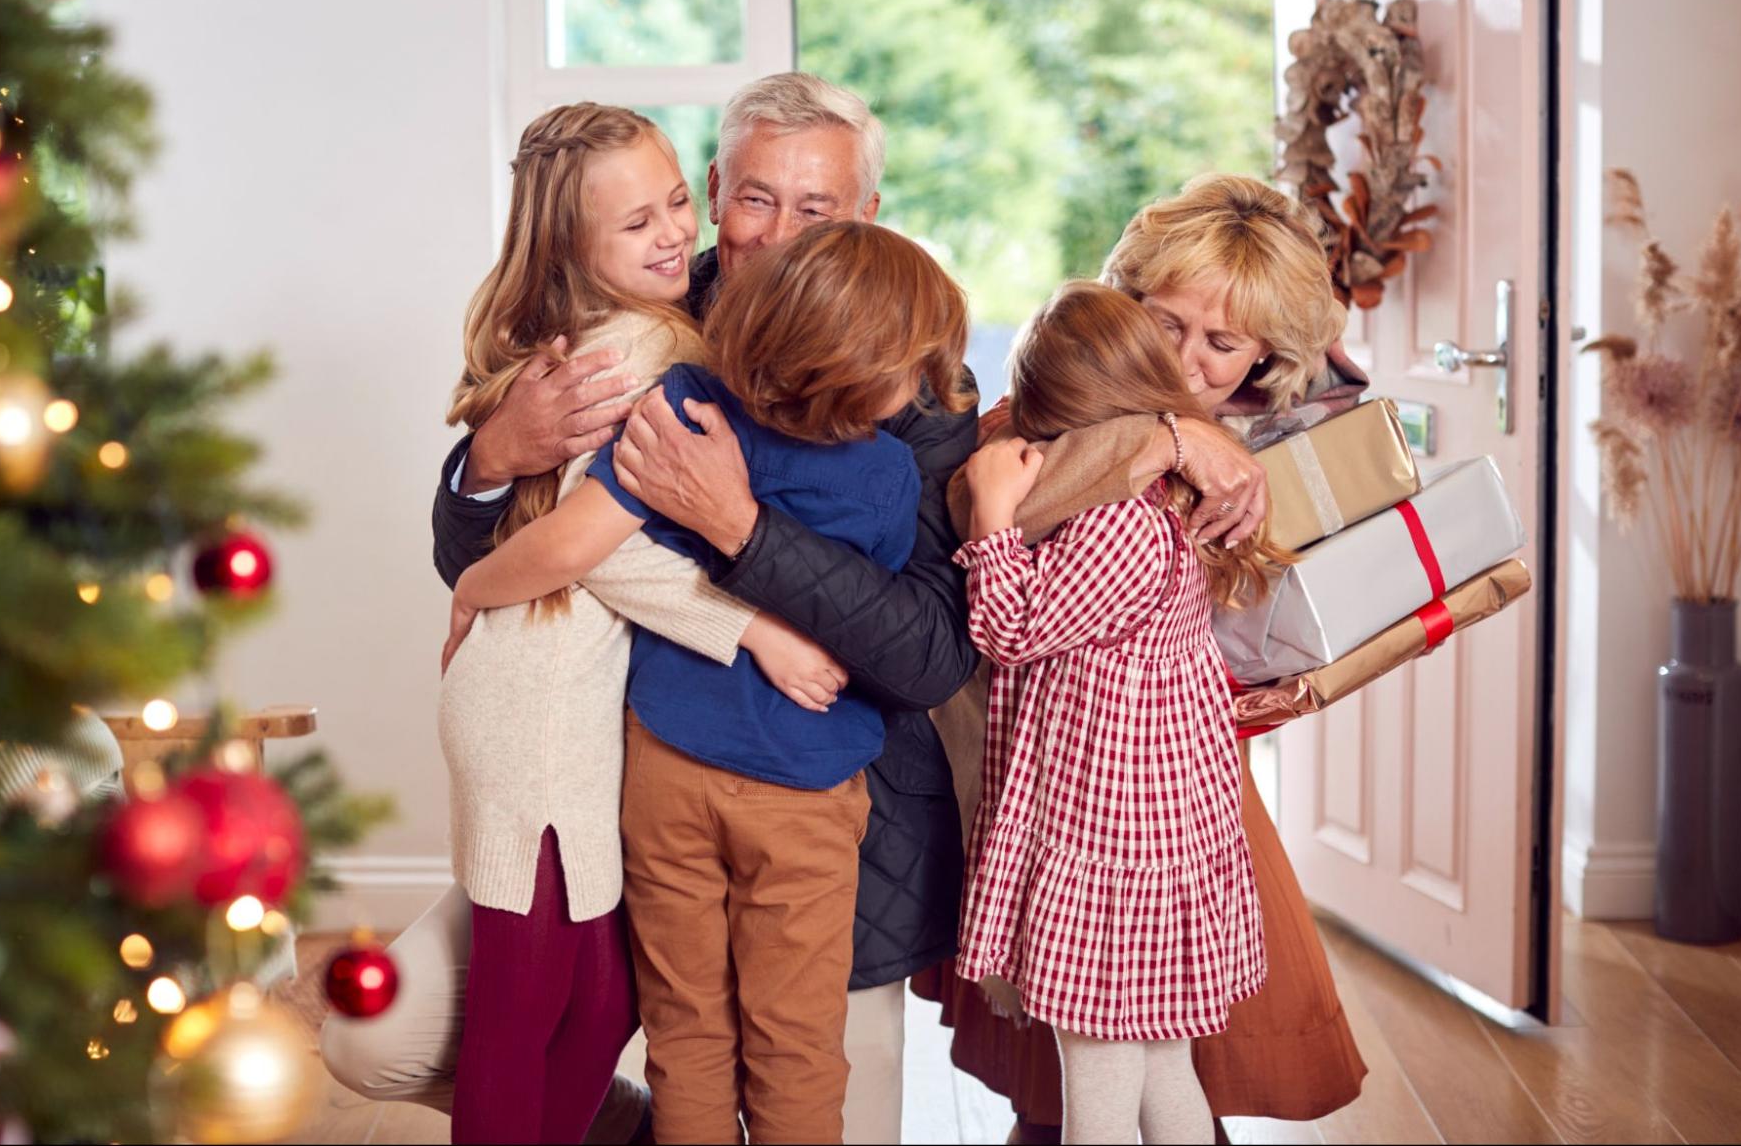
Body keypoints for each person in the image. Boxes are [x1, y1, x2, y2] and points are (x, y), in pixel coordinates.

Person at [428, 74, 1268, 1143]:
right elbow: (498, 555)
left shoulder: (912, 387)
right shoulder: (630, 317)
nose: (780, 236)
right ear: (714, 194)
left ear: (865, 215)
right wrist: (493, 458)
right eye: (753, 199)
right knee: (402, 1032)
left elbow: (926, 652)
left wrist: (739, 529)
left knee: (798, 1077)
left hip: (830, 827)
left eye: (816, 209)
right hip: (605, 792)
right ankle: (607, 1115)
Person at [325, 103, 845, 1143]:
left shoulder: (665, 321)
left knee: (601, 1000)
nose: (671, 236)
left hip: (561, 693)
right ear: (571, 243)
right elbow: (599, 546)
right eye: (633, 223)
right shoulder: (639, 348)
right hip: (534, 710)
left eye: (674, 205)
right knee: (524, 1007)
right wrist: (753, 630)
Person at [445, 221, 972, 1143]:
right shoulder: (888, 476)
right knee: (795, 1042)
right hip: (800, 795)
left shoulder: (685, 397)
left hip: (666, 770)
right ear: (875, 375)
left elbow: (577, 542)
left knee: (685, 1032)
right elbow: (881, 632)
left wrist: (476, 590)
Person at [917, 174, 1370, 1140]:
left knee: (1144, 1032)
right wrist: (1162, 431)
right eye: (1165, 323)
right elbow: (988, 491)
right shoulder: (1077, 403)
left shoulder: (1264, 440)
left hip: (1146, 785)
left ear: (1262, 356)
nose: (1189, 361)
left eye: (1222, 343)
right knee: (1101, 1043)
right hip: (1064, 768)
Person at [955, 282, 1284, 1144]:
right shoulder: (1154, 507)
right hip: (1146, 840)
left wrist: (993, 515)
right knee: (1159, 1064)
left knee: (1096, 1084)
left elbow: (1011, 628)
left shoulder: (1114, 526)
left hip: (1113, 849)